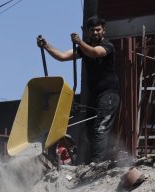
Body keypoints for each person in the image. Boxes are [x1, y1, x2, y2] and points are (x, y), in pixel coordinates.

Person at [38, 15, 120, 163]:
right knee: (89, 131)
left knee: (100, 128)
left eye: (98, 30)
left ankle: (97, 164)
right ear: (87, 32)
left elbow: (95, 53)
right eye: (92, 30)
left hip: (108, 94)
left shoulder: (107, 46)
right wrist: (46, 45)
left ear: (103, 31)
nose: (95, 33)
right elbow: (62, 56)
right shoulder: (84, 48)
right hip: (94, 96)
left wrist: (80, 42)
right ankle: (89, 163)